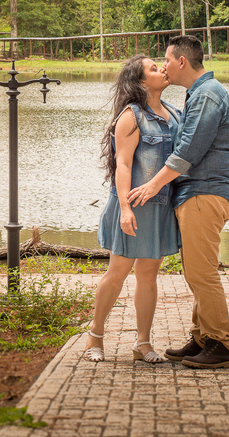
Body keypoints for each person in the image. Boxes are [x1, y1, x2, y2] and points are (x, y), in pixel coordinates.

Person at [128, 34, 229, 369]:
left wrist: (152, 185)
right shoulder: (199, 94)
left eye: (166, 59)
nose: (163, 66)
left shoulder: (207, 94)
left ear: (181, 62)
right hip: (195, 194)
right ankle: (202, 337)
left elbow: (188, 150)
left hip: (204, 194)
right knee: (195, 271)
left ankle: (219, 345)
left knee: (202, 275)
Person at [83, 54, 182, 364]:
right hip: (132, 207)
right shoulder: (131, 116)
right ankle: (94, 337)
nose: (162, 69)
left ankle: (142, 343)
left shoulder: (174, 115)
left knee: (149, 275)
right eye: (154, 68)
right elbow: (123, 164)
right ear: (141, 82)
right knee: (117, 273)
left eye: (160, 65)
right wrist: (125, 209)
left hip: (160, 208)